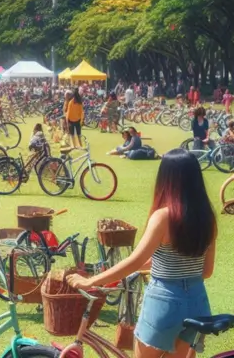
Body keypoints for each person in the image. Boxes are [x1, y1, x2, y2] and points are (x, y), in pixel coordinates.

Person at [68, 149, 216, 358]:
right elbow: (206, 271)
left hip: (165, 302)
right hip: (197, 301)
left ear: (166, 178)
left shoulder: (163, 217)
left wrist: (91, 281)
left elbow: (133, 260)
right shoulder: (208, 217)